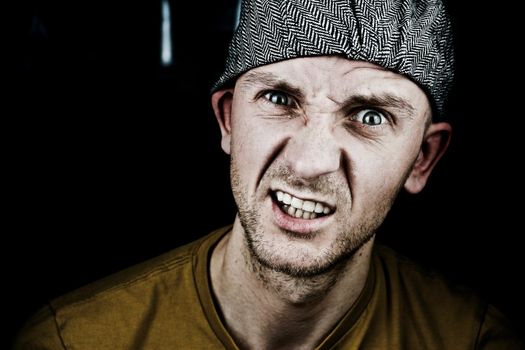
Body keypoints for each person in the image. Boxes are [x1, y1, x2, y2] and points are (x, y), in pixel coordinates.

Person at [13, 0, 523, 349]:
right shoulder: (74, 340)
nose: (308, 162)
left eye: (369, 116)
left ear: (422, 158)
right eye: (280, 99)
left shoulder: (474, 341)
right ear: (229, 120)